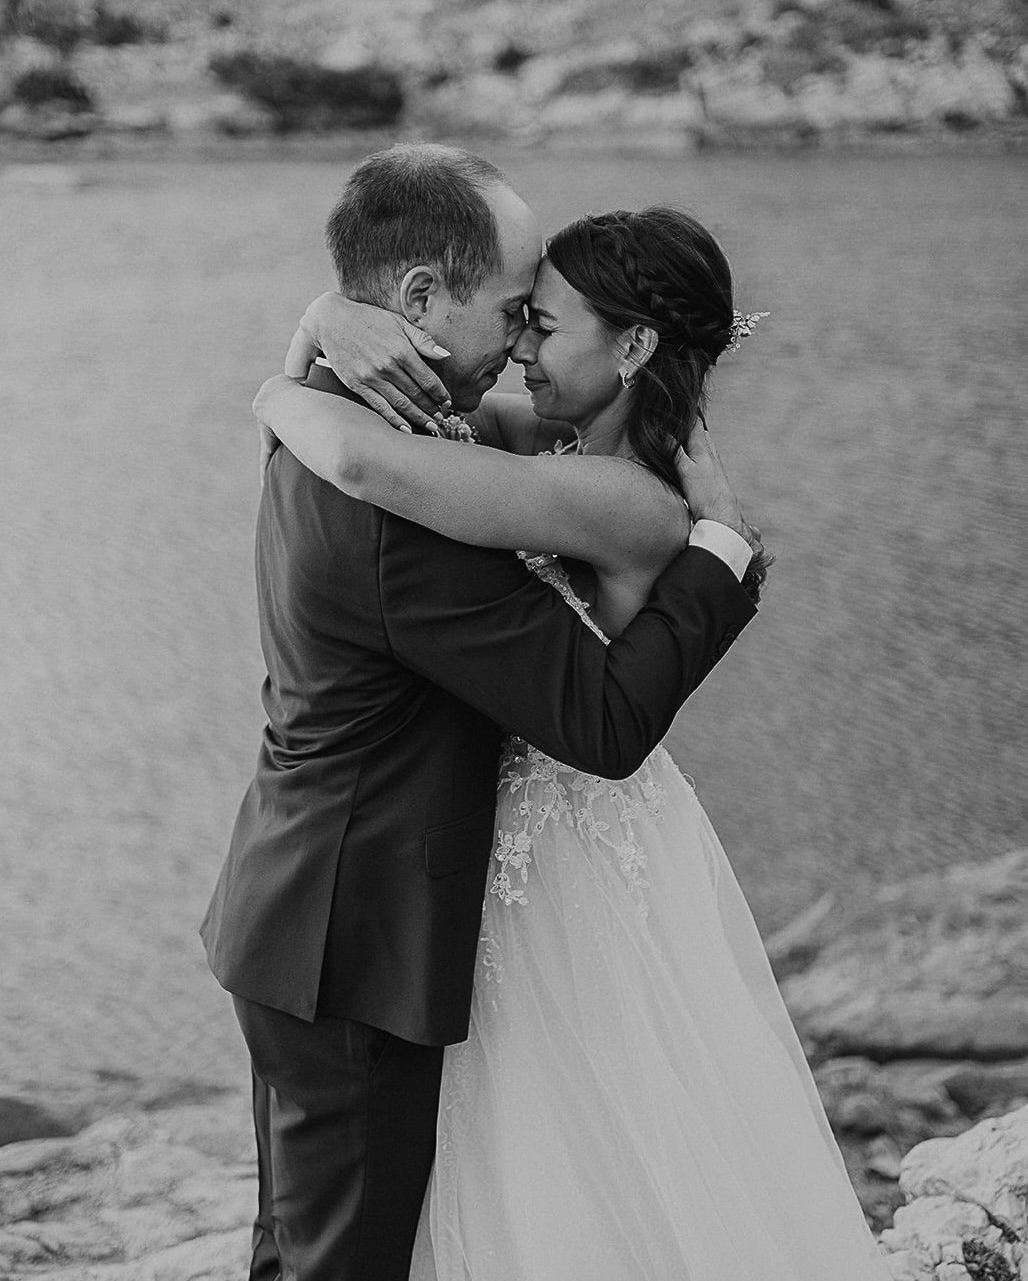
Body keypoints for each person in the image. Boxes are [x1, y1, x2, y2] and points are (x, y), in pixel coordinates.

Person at [254, 199, 894, 1280]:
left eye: (539, 325)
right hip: (500, 852)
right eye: (520, 318)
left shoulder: (618, 501)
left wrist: (279, 385)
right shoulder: (546, 446)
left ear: (633, 344)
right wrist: (329, 314)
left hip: (567, 847)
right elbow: (429, 436)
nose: (519, 347)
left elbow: (370, 467)